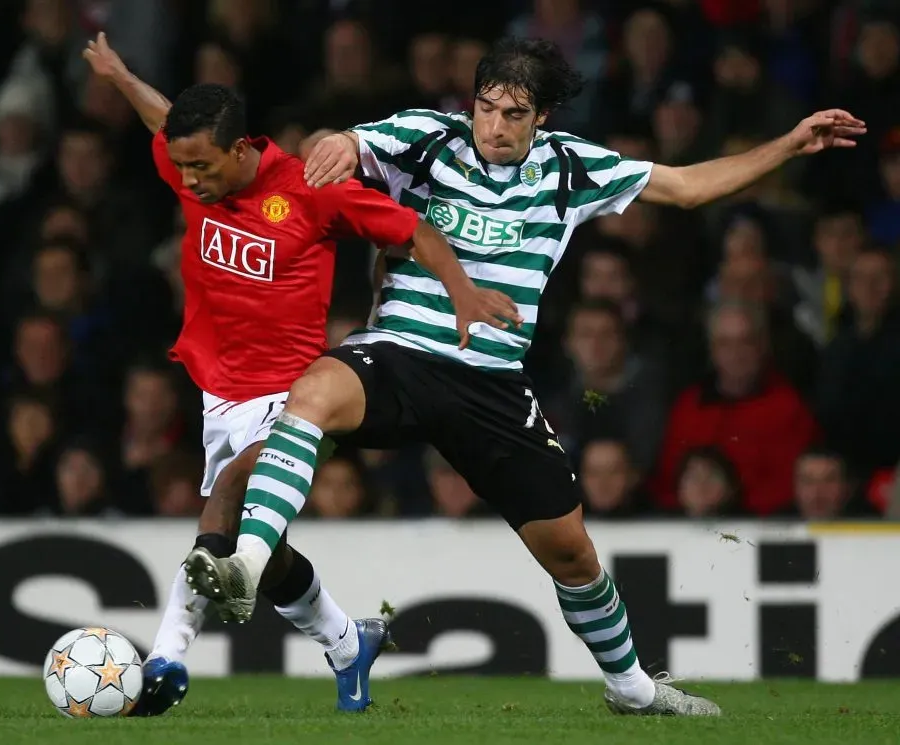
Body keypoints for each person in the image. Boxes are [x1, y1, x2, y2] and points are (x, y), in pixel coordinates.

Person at [187, 37, 865, 717]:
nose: (495, 126)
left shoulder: (571, 169)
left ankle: (631, 688)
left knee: (571, 554)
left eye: (514, 114)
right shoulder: (428, 137)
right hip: (397, 356)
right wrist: (336, 140)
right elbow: (354, 145)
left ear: (541, 118)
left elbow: (686, 187)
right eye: (486, 109)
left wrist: (786, 145)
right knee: (312, 393)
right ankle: (247, 562)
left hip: (490, 382)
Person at [81, 33, 517, 717]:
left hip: (299, 396)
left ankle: (163, 663)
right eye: (182, 165)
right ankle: (348, 643)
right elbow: (160, 119)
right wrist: (119, 75)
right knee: (273, 555)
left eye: (201, 166)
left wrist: (461, 291)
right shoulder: (188, 160)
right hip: (218, 393)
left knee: (228, 498)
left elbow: (413, 233)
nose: (189, 180)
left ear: (242, 147)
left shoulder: (310, 190)